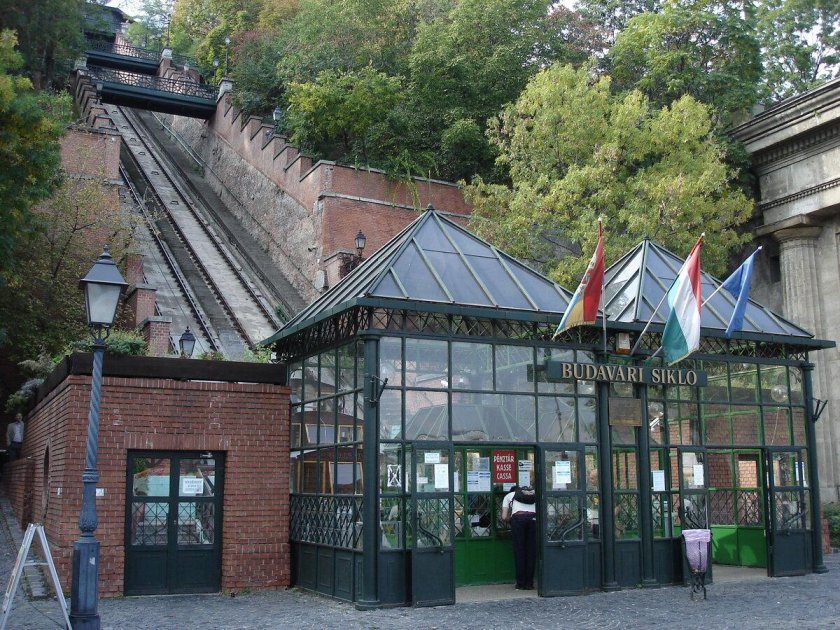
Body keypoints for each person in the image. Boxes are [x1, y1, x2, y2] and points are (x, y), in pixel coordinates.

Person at [502, 479, 537, 590]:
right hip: (533, 519)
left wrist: (511, 521)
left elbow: (503, 516)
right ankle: (529, 583)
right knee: (531, 552)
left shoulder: (509, 496)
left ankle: (520, 583)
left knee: (519, 551)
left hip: (518, 520)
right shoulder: (534, 494)